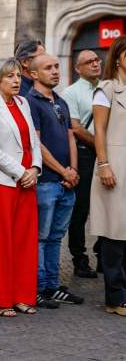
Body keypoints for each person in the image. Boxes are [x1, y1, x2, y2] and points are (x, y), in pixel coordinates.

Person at [0, 58, 41, 317]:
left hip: (28, 180)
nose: (16, 80)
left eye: (17, 76)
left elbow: (33, 140)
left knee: (25, 240)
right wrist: (21, 171)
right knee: (2, 241)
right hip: (1, 181)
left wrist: (35, 168)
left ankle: (23, 296)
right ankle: (2, 299)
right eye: (9, 76)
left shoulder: (23, 102)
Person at [26, 53, 84, 308]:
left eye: (57, 66)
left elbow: (71, 137)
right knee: (41, 237)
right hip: (47, 181)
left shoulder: (60, 100)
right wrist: (63, 171)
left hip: (65, 182)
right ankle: (39, 288)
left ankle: (52, 285)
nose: (55, 71)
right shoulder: (31, 102)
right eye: (48, 68)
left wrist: (73, 170)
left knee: (56, 237)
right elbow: (35, 143)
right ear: (34, 74)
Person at [90, 35, 126, 316]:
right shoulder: (107, 89)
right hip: (114, 164)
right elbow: (99, 129)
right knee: (115, 233)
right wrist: (104, 164)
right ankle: (115, 297)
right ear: (117, 57)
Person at [62, 50, 102, 278]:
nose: (95, 64)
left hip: (107, 155)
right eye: (89, 62)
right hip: (86, 154)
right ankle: (79, 258)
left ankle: (104, 255)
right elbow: (76, 128)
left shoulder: (106, 87)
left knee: (107, 205)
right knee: (81, 208)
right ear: (78, 68)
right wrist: (102, 145)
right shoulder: (71, 92)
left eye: (97, 60)